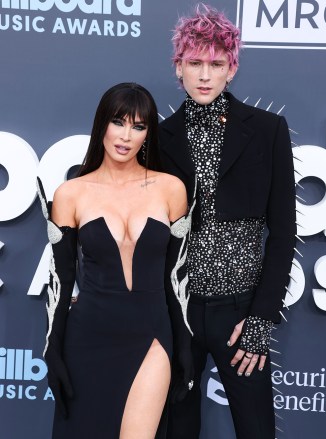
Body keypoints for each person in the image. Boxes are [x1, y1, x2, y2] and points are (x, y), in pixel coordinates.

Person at [159, 4, 296, 439]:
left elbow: (283, 232)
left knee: (256, 430)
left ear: (231, 69)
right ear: (178, 67)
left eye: (216, 64)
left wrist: (260, 319)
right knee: (176, 428)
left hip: (240, 312)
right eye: (194, 63)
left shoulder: (269, 130)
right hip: (175, 312)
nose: (204, 74)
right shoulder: (159, 139)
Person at [37, 82, 194, 439]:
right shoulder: (71, 193)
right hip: (87, 338)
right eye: (118, 122)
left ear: (148, 134)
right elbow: (59, 283)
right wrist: (52, 350)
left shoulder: (170, 189)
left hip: (151, 336)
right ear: (101, 125)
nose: (126, 135)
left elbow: (176, 279)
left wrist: (184, 346)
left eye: (138, 126)